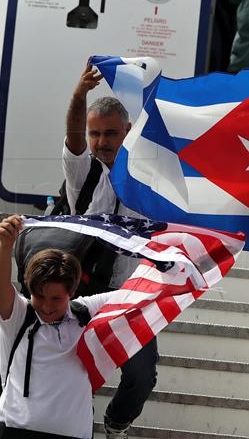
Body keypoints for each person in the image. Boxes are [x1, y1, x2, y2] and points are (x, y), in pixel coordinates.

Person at [63, 64, 157, 438]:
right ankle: (75, 428)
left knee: (141, 377)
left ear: (128, 133)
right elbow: (72, 138)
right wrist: (77, 96)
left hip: (131, 296)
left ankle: (115, 426)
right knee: (73, 373)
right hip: (80, 292)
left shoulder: (150, 182)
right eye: (95, 133)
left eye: (111, 133)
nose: (102, 141)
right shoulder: (83, 173)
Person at [0, 215, 111, 438]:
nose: (46, 306)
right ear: (28, 288)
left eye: (56, 299)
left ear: (71, 292)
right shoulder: (19, 315)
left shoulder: (86, 312)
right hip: (14, 432)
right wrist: (6, 245)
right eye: (39, 296)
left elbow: (140, 294)